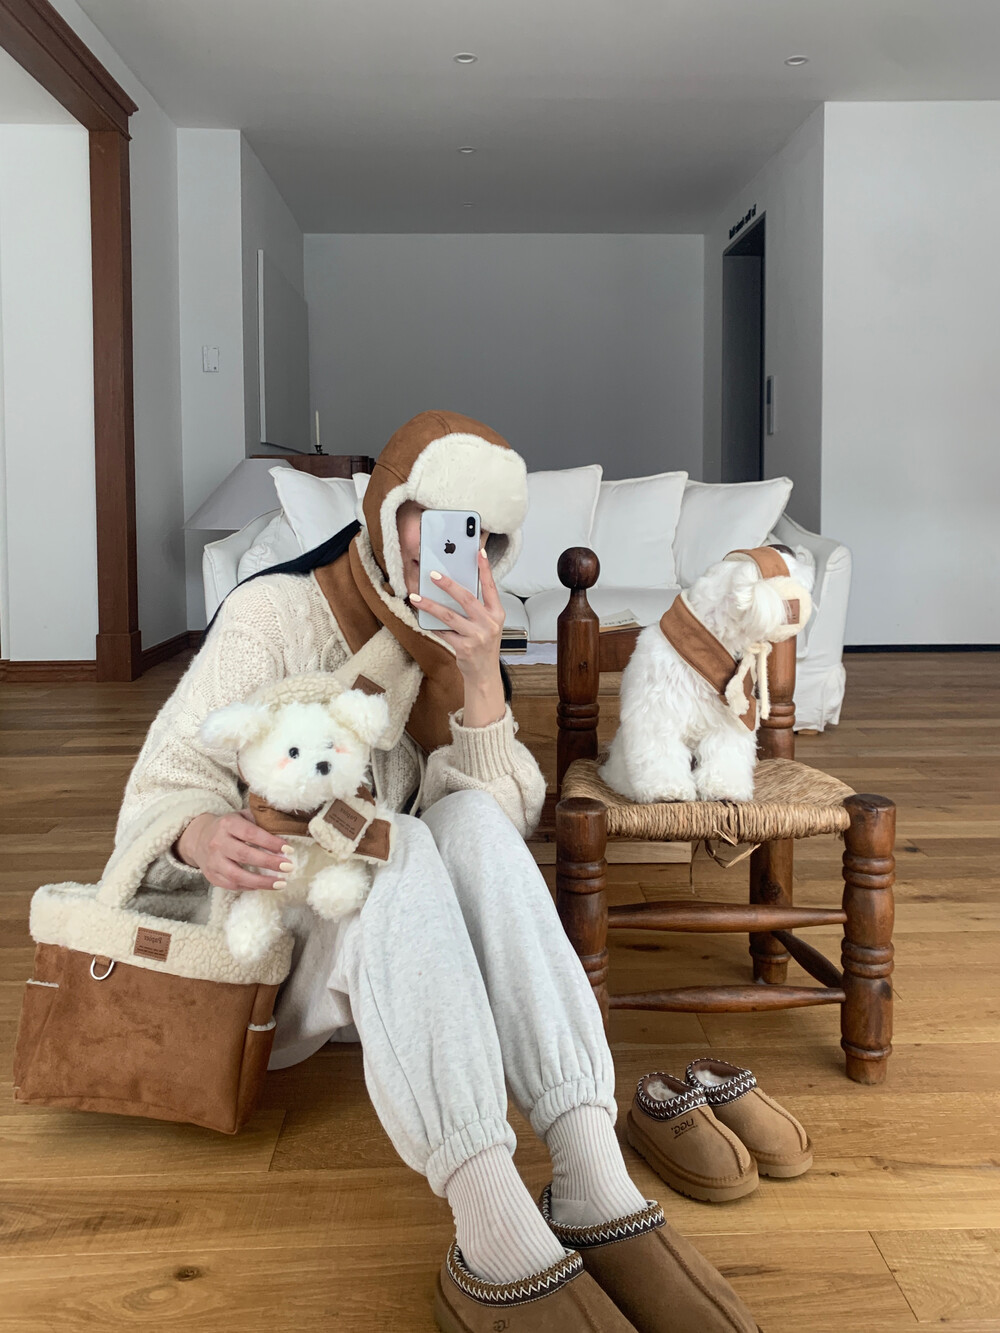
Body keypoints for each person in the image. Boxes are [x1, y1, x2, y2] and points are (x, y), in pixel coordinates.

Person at [113, 411, 757, 1332]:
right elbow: (160, 786)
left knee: (461, 823)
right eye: (434, 516)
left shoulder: (451, 643)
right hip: (262, 939)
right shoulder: (273, 613)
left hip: (391, 966)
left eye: (480, 533)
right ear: (388, 509)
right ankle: (493, 1225)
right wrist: (199, 831)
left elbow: (491, 834)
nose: (451, 546)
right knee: (400, 840)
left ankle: (590, 1168)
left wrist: (481, 673)